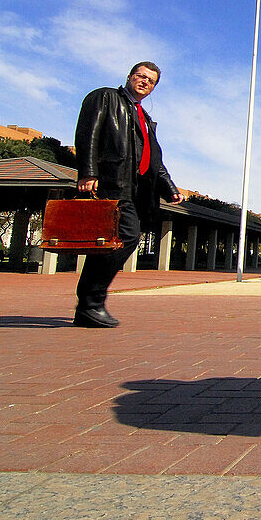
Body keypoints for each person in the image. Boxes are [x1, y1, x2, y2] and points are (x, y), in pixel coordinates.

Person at [72, 61, 182, 327]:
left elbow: (153, 158)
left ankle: (88, 305)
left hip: (134, 189)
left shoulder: (143, 117)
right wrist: (88, 172)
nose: (144, 82)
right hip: (111, 183)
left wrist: (169, 187)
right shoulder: (106, 98)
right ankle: (91, 301)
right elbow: (88, 133)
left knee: (112, 243)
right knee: (127, 236)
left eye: (151, 81)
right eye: (141, 76)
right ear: (130, 76)